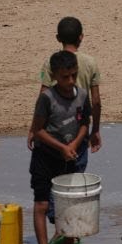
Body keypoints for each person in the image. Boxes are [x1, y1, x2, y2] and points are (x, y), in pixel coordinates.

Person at [29, 50, 94, 244]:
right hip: (45, 157)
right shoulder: (47, 99)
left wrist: (75, 144)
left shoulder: (82, 96)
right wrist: (62, 147)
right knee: (42, 205)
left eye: (74, 75)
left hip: (70, 157)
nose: (70, 81)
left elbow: (85, 122)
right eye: (65, 77)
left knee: (71, 207)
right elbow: (37, 130)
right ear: (54, 76)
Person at [37, 17, 103, 170]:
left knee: (53, 178)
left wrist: (35, 129)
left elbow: (43, 96)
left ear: (58, 38)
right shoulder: (90, 62)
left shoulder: (51, 62)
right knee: (76, 178)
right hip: (79, 130)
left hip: (54, 129)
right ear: (81, 37)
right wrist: (96, 130)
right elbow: (96, 102)